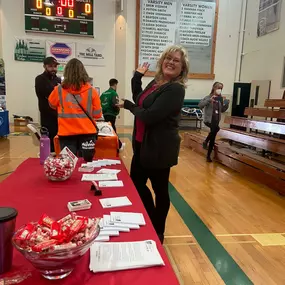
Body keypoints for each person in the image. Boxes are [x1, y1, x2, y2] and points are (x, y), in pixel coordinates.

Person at [118, 45, 189, 243]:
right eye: (168, 58)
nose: (171, 62)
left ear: (182, 68)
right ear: (162, 61)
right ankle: (152, 219)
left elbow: (150, 116)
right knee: (137, 184)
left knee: (160, 190)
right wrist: (136, 77)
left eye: (176, 60)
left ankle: (158, 229)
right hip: (142, 144)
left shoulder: (175, 89)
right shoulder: (156, 82)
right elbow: (139, 100)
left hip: (159, 148)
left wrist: (129, 107)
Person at [48, 58, 102, 161]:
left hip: (66, 134)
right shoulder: (92, 91)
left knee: (68, 164)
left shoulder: (58, 90)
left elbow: (51, 105)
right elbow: (97, 114)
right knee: (86, 164)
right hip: (87, 134)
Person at [198, 82, 230, 162]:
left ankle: (206, 142)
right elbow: (200, 105)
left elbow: (222, 110)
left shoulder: (220, 99)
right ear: (214, 88)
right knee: (213, 133)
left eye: (221, 88)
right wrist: (209, 100)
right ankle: (208, 156)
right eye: (218, 88)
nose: (219, 90)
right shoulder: (208, 97)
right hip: (208, 120)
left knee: (215, 130)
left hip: (216, 120)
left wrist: (226, 103)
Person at [35, 57, 61, 152]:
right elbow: (48, 94)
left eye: (55, 66)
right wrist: (58, 90)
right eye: (50, 66)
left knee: (57, 140)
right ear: (44, 66)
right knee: (48, 140)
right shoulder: (40, 79)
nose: (53, 69)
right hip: (47, 115)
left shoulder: (58, 80)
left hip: (58, 115)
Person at [100, 78, 122, 149]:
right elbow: (115, 104)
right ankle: (118, 145)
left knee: (108, 129)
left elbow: (99, 103)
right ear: (115, 84)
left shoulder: (103, 94)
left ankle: (112, 145)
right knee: (112, 130)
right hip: (111, 114)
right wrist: (117, 111)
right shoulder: (114, 93)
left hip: (104, 114)